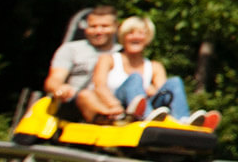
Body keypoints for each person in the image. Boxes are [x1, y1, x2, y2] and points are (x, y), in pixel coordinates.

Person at [91, 16, 220, 128]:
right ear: (123, 37)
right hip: (120, 108)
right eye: (130, 33)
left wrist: (151, 90)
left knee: (174, 82)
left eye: (140, 33)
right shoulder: (109, 59)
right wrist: (115, 107)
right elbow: (100, 87)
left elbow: (162, 91)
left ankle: (182, 119)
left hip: (148, 107)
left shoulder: (154, 66)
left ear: (147, 38)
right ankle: (147, 116)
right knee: (135, 78)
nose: (135, 37)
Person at [45, 6, 117, 122]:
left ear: (115, 27)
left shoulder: (122, 52)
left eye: (104, 26)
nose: (98, 31)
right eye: (93, 26)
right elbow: (54, 79)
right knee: (86, 96)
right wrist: (59, 88)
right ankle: (108, 118)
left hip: (112, 100)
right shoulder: (71, 49)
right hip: (75, 102)